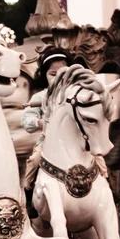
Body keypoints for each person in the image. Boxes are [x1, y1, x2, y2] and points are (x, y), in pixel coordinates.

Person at [22, 47, 73, 198]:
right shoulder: (41, 96)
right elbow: (26, 119)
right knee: (35, 159)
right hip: (49, 141)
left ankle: (107, 183)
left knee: (98, 158)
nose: (58, 78)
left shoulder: (75, 92)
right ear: (45, 76)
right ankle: (29, 190)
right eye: (52, 74)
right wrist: (39, 122)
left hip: (75, 138)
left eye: (63, 73)